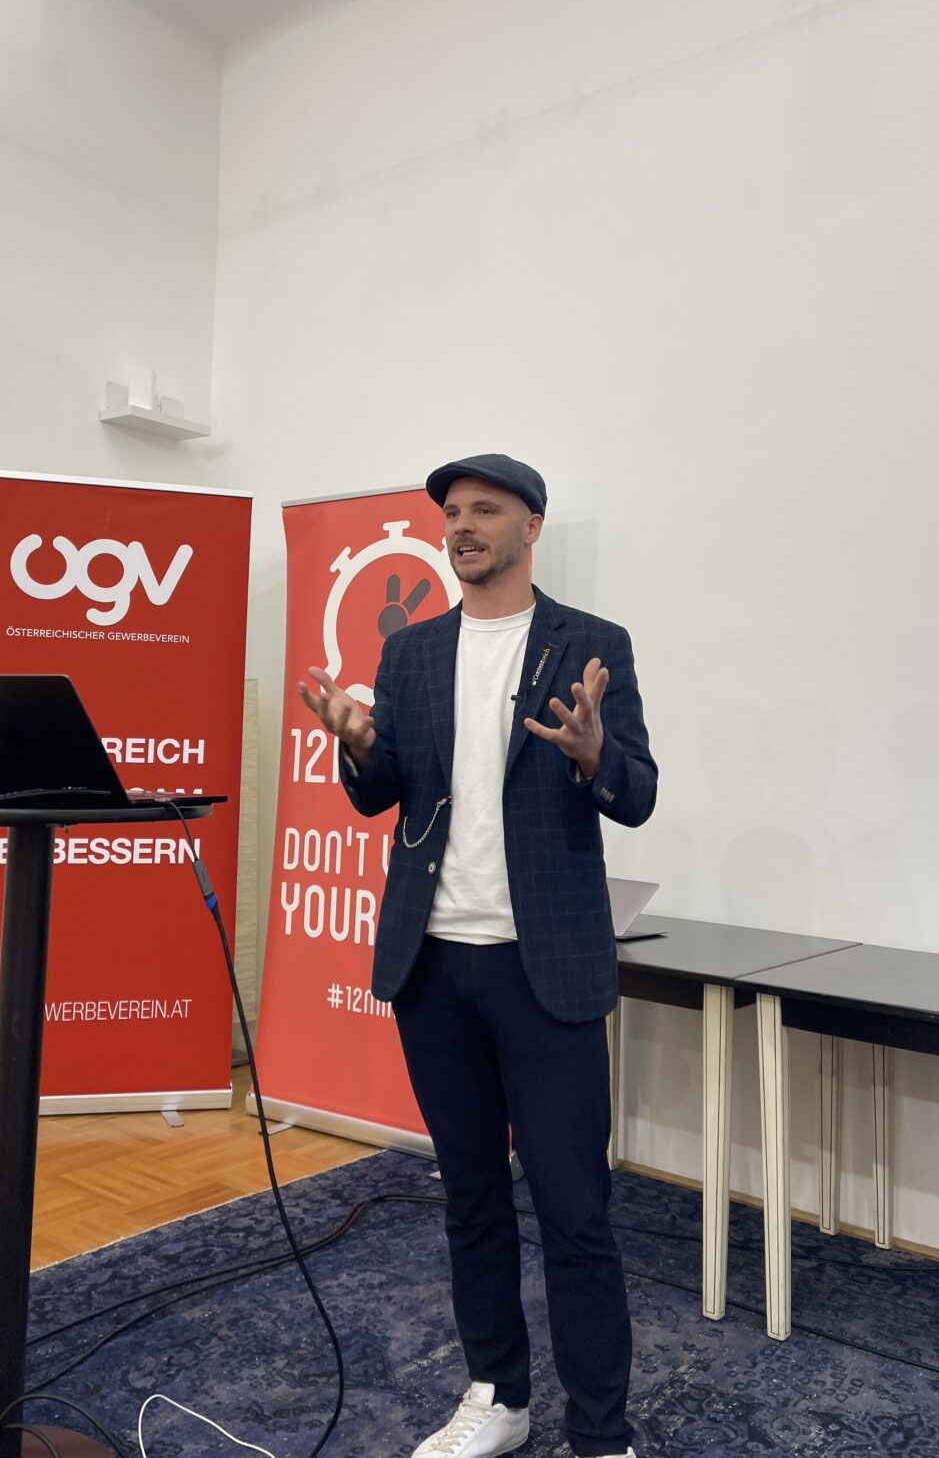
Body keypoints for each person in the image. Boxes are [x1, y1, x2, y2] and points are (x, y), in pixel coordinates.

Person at [299, 454, 657, 1458]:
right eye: (452, 512)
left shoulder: (592, 644)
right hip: (434, 962)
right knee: (470, 1196)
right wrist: (356, 744)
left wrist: (594, 753)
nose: (461, 525)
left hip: (544, 969)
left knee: (576, 1213)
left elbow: (636, 794)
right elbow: (384, 791)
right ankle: (498, 1396)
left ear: (530, 526)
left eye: (484, 510)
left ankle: (601, 1433)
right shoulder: (411, 651)